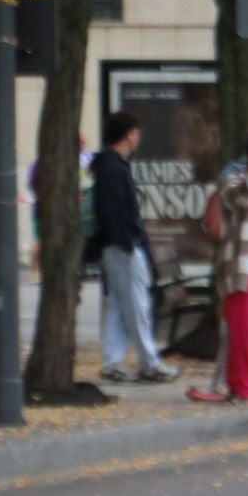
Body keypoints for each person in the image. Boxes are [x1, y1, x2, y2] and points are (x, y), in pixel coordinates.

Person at [90, 110, 178, 383]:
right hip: (124, 246)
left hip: (112, 245)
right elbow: (117, 210)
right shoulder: (116, 168)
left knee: (117, 304)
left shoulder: (106, 166)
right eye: (136, 132)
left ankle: (112, 361)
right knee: (138, 304)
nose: (138, 137)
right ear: (129, 134)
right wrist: (128, 241)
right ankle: (149, 362)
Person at [194, 138, 248, 401]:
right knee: (245, 330)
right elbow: (236, 195)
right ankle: (242, 386)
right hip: (243, 267)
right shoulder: (237, 186)